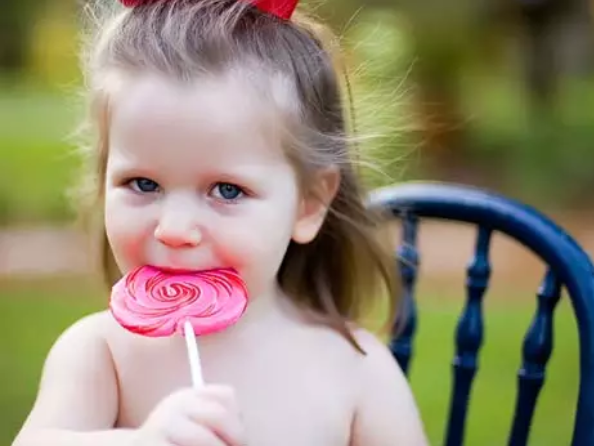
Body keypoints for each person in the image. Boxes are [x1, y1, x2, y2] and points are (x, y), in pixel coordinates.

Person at [12, 0, 429, 445]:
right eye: (142, 183)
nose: (174, 229)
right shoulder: (101, 353)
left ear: (308, 203)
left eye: (227, 190)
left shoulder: (356, 371)